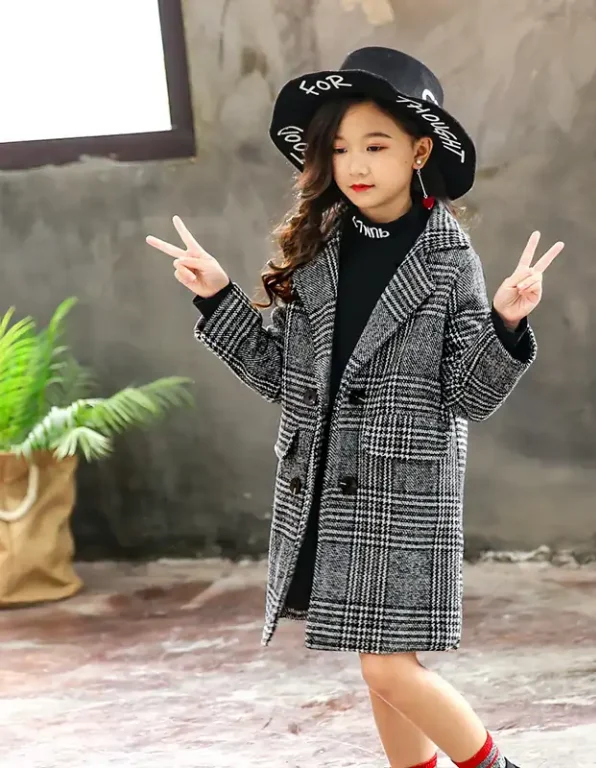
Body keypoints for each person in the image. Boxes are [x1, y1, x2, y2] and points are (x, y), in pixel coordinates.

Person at [147, 46, 563, 768]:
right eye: (339, 148)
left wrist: (505, 321)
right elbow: (283, 376)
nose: (355, 164)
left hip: (404, 491)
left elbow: (468, 394)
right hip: (324, 486)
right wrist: (216, 295)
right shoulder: (319, 248)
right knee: (379, 667)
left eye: (375, 145)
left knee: (387, 669)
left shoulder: (448, 259)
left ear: (419, 151)